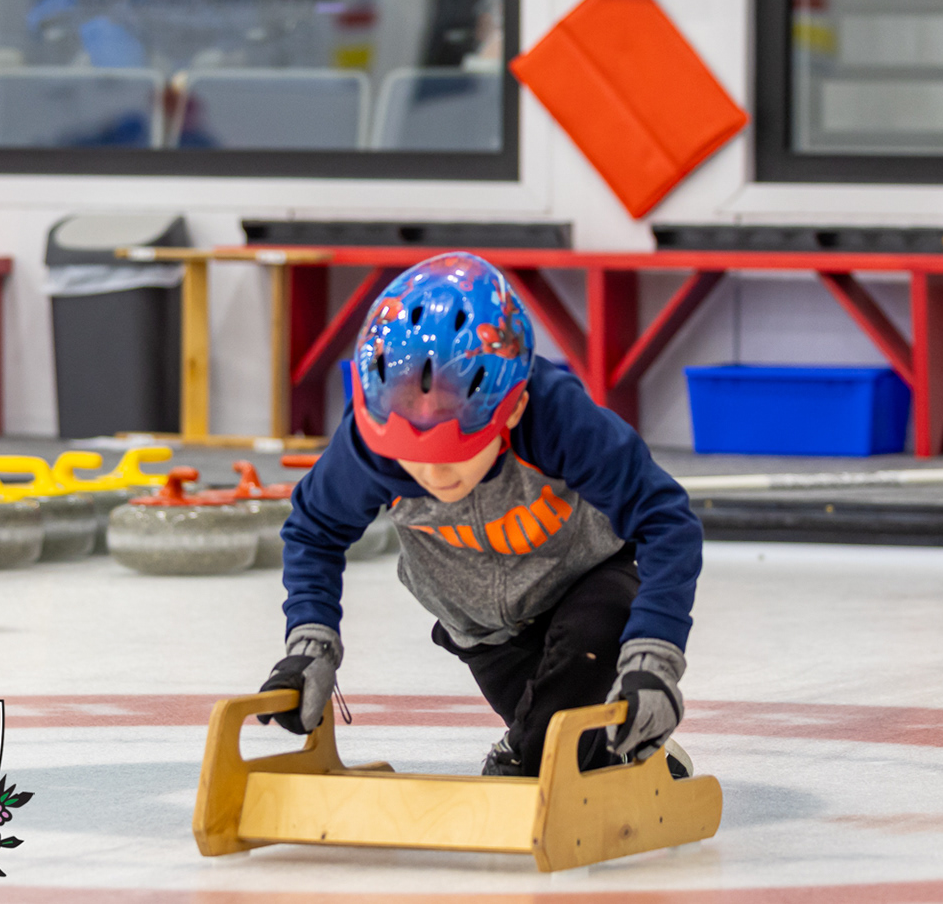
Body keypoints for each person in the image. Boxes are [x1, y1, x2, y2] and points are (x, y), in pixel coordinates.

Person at [261, 253, 704, 778]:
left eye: (455, 454)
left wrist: (654, 658)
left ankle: (532, 760)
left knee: (543, 748)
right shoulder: (370, 447)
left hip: (587, 581)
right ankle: (634, 756)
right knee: (564, 749)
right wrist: (310, 643)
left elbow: (664, 518)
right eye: (414, 459)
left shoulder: (557, 417)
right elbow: (314, 530)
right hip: (484, 631)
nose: (434, 475)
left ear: (511, 409)